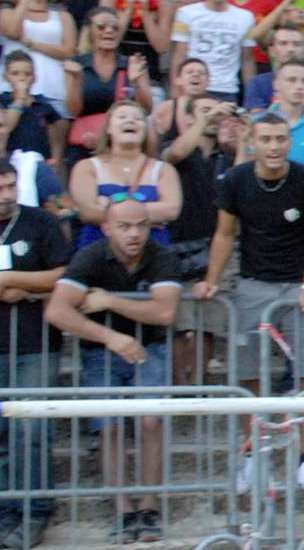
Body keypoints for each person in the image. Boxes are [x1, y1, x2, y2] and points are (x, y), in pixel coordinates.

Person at [196, 112, 304, 490]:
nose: (274, 146)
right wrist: (210, 280)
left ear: (289, 142)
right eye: (266, 139)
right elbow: (224, 234)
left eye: (280, 139)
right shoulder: (237, 180)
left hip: (297, 287)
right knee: (248, 377)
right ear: (253, 142)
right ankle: (253, 456)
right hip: (252, 285)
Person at [44, 198, 180, 544]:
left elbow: (165, 313)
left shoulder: (161, 256)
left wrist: (110, 301)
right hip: (100, 351)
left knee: (151, 421)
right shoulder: (90, 255)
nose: (134, 233)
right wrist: (112, 337)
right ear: (106, 229)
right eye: (124, 226)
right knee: (110, 429)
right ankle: (123, 509)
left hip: (152, 347)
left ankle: (148, 506)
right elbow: (58, 311)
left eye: (141, 225)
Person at [0, 163, 69, 549]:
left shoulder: (40, 222)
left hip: (34, 344)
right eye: (0, 188)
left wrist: (11, 280)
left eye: (11, 185)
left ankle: (34, 510)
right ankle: (4, 511)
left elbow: (63, 273)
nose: (8, 194)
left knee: (31, 429)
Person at [161, 93, 240, 386]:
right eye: (205, 111)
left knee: (208, 325)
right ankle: (178, 388)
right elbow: (174, 155)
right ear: (192, 117)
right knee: (181, 326)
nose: (215, 115)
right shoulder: (178, 149)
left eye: (217, 111)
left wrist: (242, 139)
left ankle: (198, 386)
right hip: (180, 245)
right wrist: (207, 118)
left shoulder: (227, 156)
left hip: (217, 247)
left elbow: (241, 177)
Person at [70, 101, 180, 247]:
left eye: (138, 118)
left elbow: (171, 210)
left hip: (152, 252)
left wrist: (108, 206)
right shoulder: (86, 167)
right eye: (122, 117)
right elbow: (88, 212)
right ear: (109, 127)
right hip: (99, 252)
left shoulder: (163, 169)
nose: (130, 120)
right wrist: (147, 217)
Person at [68, 7, 157, 163]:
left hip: (122, 143)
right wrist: (75, 79)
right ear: (90, 31)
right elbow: (74, 110)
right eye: (101, 27)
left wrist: (135, 81)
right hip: (85, 143)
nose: (109, 31)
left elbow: (147, 109)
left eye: (115, 28)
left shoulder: (132, 63)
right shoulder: (77, 64)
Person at [0, 0, 74, 121]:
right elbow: (12, 32)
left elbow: (69, 51)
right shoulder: (7, 12)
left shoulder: (63, 16)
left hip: (53, 89)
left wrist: (33, 44)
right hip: (11, 90)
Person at [168, 0, 254, 99]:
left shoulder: (246, 17)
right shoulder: (186, 13)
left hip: (227, 89)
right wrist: (175, 89)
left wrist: (251, 96)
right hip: (192, 87)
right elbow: (179, 55)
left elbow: (247, 59)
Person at [244, 25, 304, 112]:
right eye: (283, 43)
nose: (291, 49)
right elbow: (255, 119)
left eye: (297, 44)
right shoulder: (258, 84)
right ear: (272, 51)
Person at [0, 52, 64, 160]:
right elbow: (6, 126)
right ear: (6, 77)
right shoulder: (3, 101)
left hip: (38, 159)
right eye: (15, 74)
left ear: (34, 78)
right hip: (10, 159)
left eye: (27, 74)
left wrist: (55, 158)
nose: (22, 78)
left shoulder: (42, 104)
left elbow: (54, 135)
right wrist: (19, 99)